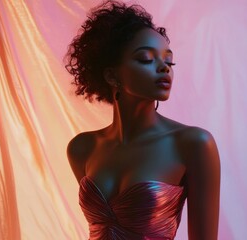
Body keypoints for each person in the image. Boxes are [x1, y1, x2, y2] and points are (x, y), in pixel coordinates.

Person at [64, 1, 220, 239]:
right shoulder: (82, 148)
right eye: (147, 59)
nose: (164, 69)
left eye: (169, 62)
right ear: (111, 75)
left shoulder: (193, 144)